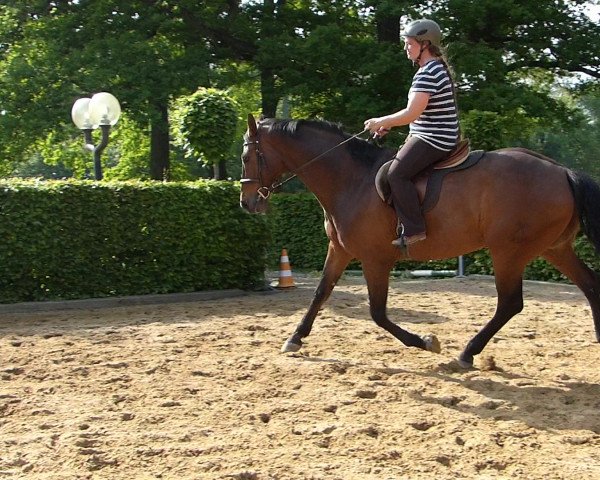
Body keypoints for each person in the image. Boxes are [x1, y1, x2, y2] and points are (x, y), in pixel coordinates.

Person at [364, 19, 459, 247]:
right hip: (432, 134)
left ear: (425, 44)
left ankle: (415, 229)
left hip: (434, 138)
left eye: (409, 44)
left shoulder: (428, 72)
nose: (406, 48)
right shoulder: (434, 68)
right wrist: (389, 124)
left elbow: (412, 113)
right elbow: (419, 114)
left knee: (396, 174)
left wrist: (380, 121)